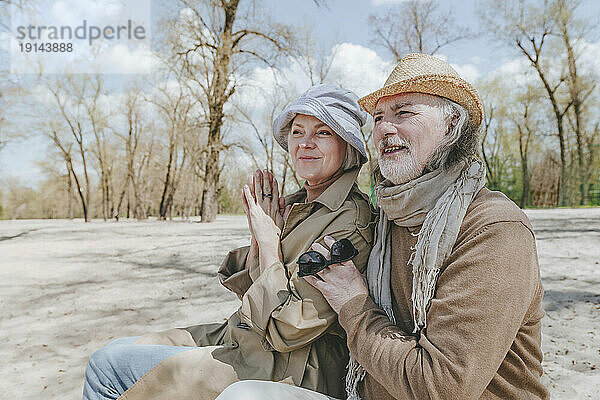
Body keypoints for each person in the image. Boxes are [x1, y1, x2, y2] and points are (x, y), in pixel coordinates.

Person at [217, 53, 549, 400]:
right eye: (377, 117)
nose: (384, 128)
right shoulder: (388, 218)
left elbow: (442, 386)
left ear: (452, 126)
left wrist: (353, 301)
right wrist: (265, 240)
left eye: (403, 113)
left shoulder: (493, 228)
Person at [81, 84, 374, 400]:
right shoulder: (298, 205)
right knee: (115, 349)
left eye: (323, 133)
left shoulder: (349, 223)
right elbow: (247, 290)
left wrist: (269, 243)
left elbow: (289, 329)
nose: (305, 143)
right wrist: (260, 240)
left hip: (291, 367)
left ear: (348, 145)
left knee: (107, 367)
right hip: (242, 336)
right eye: (298, 132)